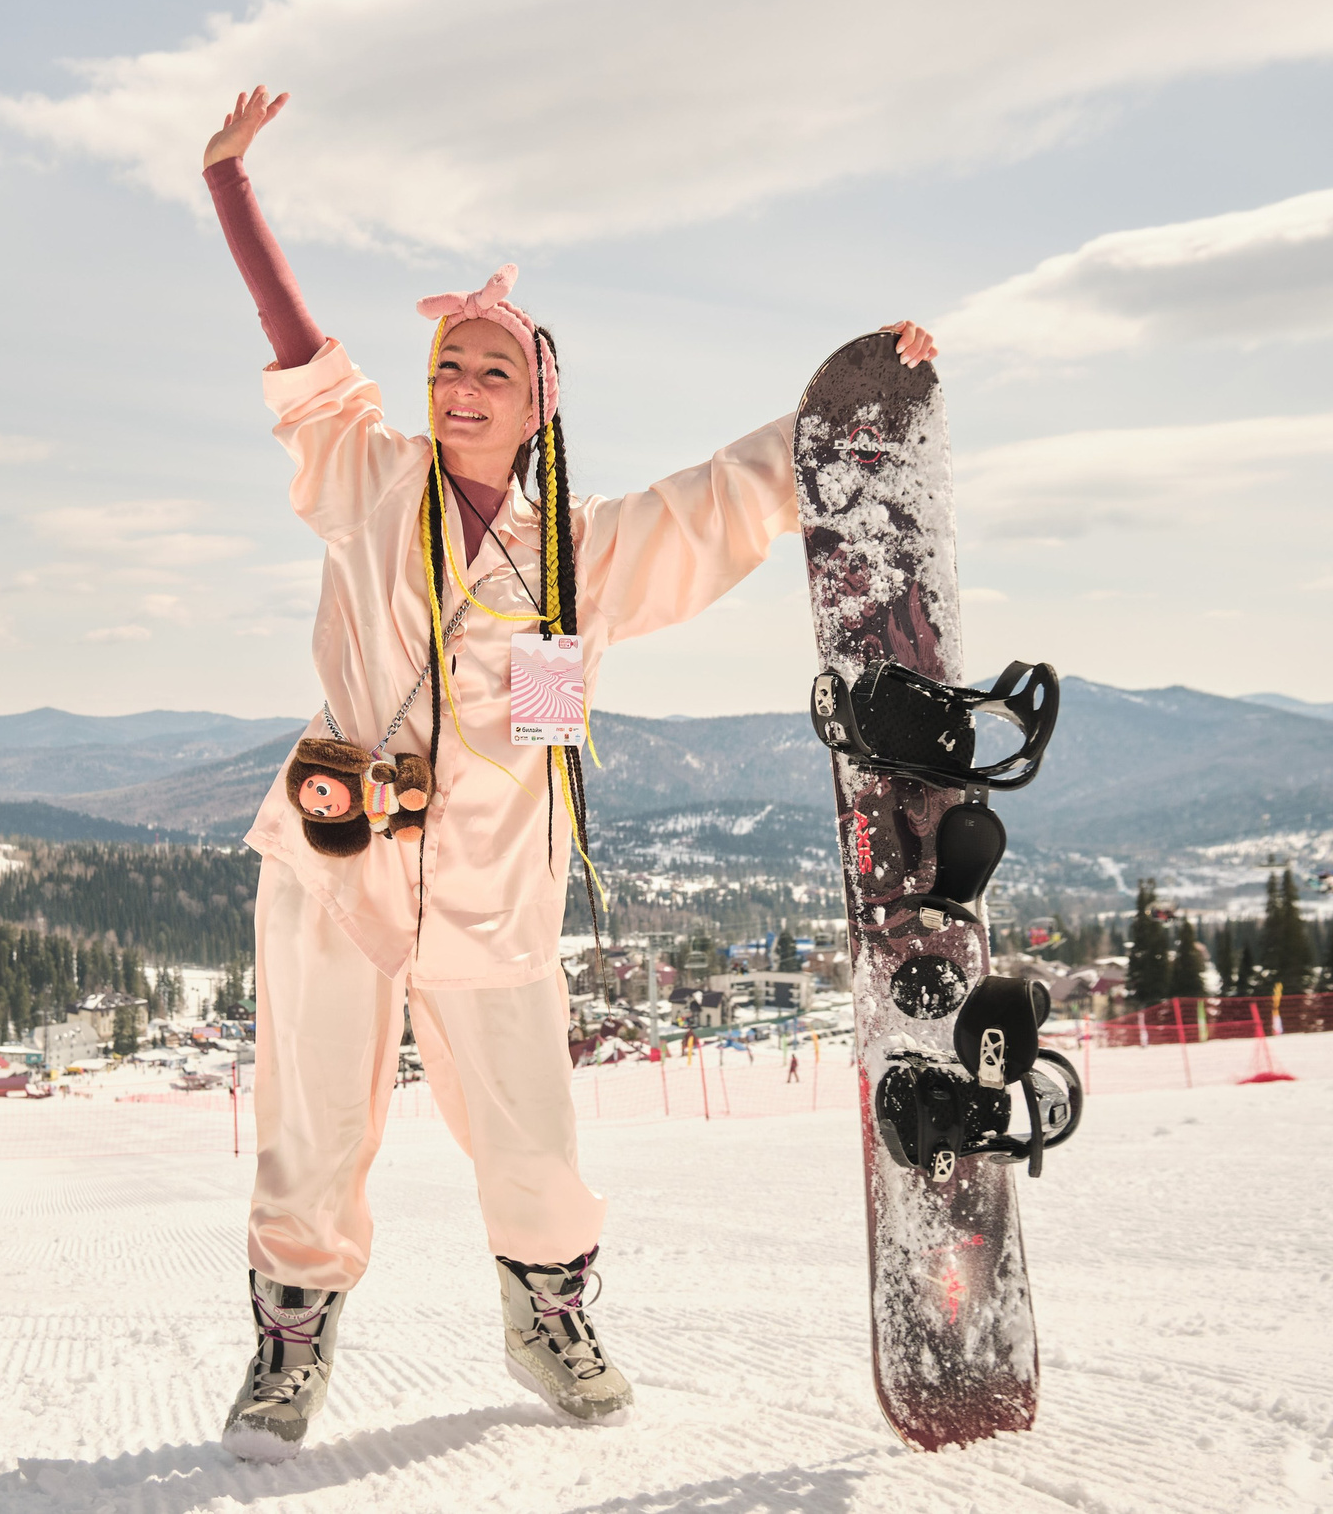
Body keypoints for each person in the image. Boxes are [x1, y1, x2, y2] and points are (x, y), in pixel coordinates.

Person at [202, 86, 934, 1460]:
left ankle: (548, 1315)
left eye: (490, 370)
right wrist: (233, 184)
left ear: (538, 397)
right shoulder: (366, 483)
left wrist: (842, 411)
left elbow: (718, 502)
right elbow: (300, 346)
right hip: (338, 863)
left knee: (530, 1133)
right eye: (446, 371)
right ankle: (290, 1342)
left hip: (493, 883)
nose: (460, 390)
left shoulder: (577, 552)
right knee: (306, 1120)